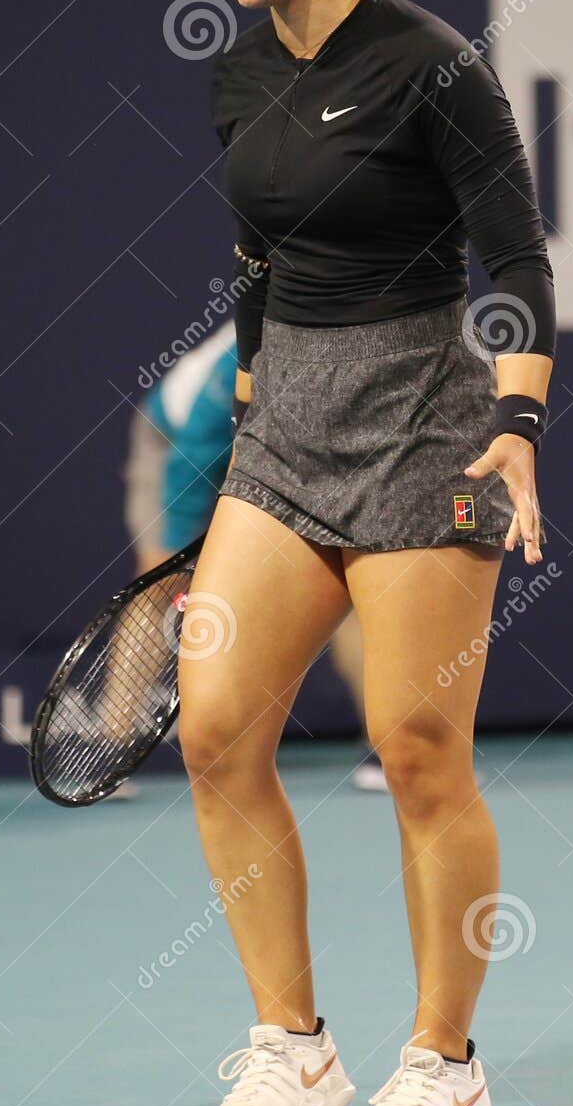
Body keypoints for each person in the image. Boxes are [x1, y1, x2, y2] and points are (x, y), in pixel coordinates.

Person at [176, 0, 556, 1106]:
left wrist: (515, 426)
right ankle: (294, 1045)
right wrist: (244, 407)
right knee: (213, 728)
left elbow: (515, 264)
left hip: (422, 422)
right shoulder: (234, 73)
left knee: (414, 750)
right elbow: (260, 265)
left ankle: (443, 1065)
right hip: (286, 432)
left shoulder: (430, 66)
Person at [122, 317, 389, 792]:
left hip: (277, 453)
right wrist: (170, 548)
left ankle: (384, 746)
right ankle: (116, 741)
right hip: (176, 439)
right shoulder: (246, 360)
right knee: (159, 586)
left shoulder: (356, 349)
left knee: (347, 584)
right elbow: (196, 453)